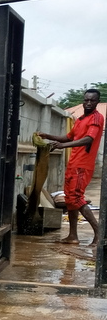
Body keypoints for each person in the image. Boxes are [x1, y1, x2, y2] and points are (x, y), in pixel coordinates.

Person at [39, 89, 104, 246]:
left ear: (97, 102)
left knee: (76, 198)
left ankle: (99, 233)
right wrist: (47, 136)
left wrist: (63, 146)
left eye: (92, 101)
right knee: (70, 200)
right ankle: (73, 236)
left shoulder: (96, 118)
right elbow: (67, 137)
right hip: (73, 164)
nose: (88, 103)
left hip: (83, 165)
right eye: (86, 100)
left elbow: (88, 139)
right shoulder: (81, 119)